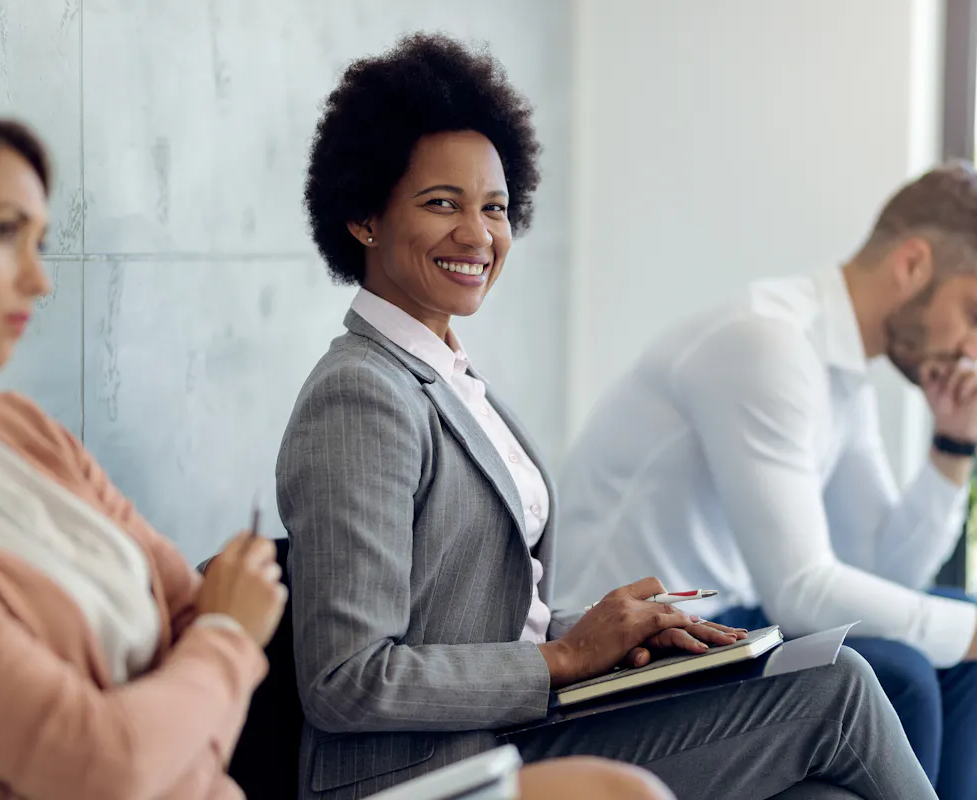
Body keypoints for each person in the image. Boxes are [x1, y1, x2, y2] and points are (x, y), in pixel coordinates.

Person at [278, 33, 936, 800]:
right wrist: (566, 658)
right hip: (431, 772)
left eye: (494, 208)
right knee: (838, 689)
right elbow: (346, 679)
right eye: (441, 203)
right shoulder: (360, 395)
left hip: (513, 731)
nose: (478, 234)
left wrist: (606, 627)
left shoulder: (449, 380)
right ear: (365, 216)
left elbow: (478, 621)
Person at [553, 162, 977, 800]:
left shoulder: (841, 374)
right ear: (912, 264)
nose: (974, 349)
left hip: (721, 622)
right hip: (632, 649)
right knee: (905, 672)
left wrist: (954, 443)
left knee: (967, 662)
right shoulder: (766, 344)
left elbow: (885, 570)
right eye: (975, 315)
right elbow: (800, 589)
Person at [0, 99, 290, 799]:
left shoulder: (25, 429)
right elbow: (105, 768)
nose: (40, 280)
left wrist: (195, 667)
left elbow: (188, 608)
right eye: (5, 232)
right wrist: (231, 640)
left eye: (40, 243)